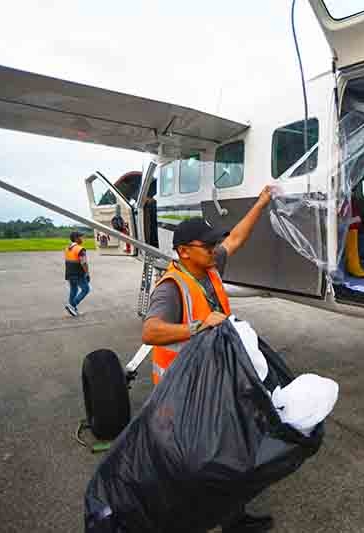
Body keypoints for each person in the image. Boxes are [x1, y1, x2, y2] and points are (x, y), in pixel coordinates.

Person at [141, 185, 274, 533]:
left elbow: (237, 238)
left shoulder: (211, 268)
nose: (215, 249)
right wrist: (198, 325)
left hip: (216, 381)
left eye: (214, 243)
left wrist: (261, 203)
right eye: (207, 245)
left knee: (229, 448)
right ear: (184, 251)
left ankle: (233, 517)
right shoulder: (171, 287)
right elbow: (150, 332)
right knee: (193, 460)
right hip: (182, 390)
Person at [64, 231, 91, 316]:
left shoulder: (68, 248)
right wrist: (87, 273)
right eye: (81, 237)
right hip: (78, 273)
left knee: (74, 290)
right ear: (76, 238)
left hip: (69, 273)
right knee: (86, 289)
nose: (83, 239)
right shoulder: (80, 249)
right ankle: (72, 305)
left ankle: (73, 310)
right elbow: (84, 263)